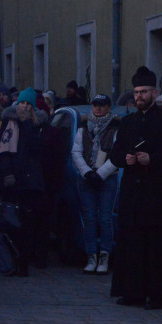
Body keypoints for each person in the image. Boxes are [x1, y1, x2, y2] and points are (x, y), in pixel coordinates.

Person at [109, 66, 162, 310]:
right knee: (132, 244)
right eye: (136, 92)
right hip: (133, 194)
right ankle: (132, 292)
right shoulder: (128, 122)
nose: (139, 96)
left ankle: (156, 294)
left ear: (154, 92)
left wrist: (152, 159)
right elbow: (116, 153)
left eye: (143, 92)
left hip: (155, 195)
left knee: (156, 247)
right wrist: (127, 160)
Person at [0, 88, 52, 276]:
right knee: (13, 222)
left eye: (28, 104)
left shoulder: (39, 124)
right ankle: (14, 260)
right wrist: (7, 174)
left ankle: (26, 261)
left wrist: (28, 125)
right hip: (15, 179)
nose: (25, 107)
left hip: (33, 180)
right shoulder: (10, 122)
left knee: (30, 223)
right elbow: (4, 150)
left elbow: (38, 149)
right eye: (22, 103)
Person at [71, 93, 121, 274]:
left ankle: (105, 255)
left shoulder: (116, 128)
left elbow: (117, 155)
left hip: (107, 178)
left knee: (105, 218)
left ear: (109, 108)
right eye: (95, 105)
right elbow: (76, 152)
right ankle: (91, 255)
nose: (98, 108)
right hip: (86, 178)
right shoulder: (84, 127)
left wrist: (100, 174)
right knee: (90, 218)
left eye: (102, 105)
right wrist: (86, 172)